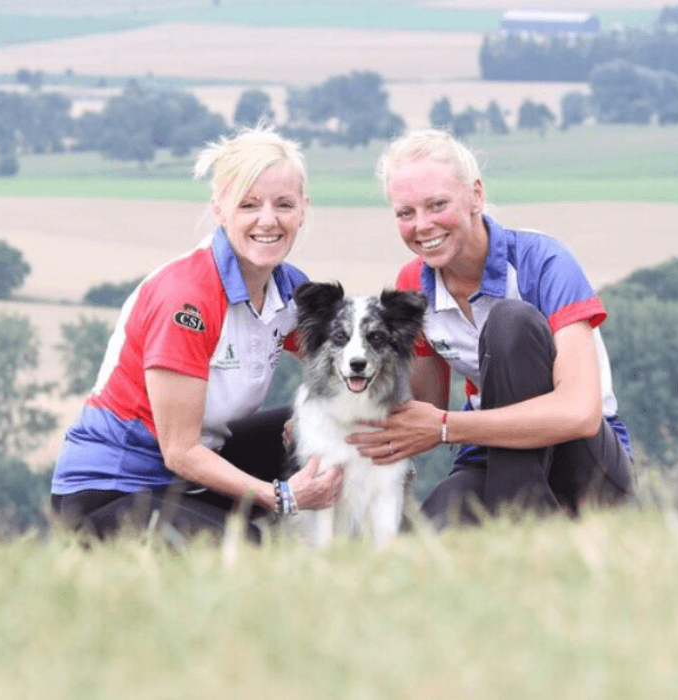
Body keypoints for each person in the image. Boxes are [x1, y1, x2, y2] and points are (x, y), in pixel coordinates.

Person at [51, 126, 343, 542]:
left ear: (303, 210)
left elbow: (340, 366)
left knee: (314, 433)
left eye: (284, 204)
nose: (268, 220)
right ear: (220, 209)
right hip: (111, 494)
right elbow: (180, 451)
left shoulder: (290, 289)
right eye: (249, 205)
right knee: (245, 549)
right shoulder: (187, 299)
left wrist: (320, 416)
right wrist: (281, 496)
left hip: (188, 479)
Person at [348, 129, 635, 529]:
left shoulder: (544, 261)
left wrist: (447, 429)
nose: (422, 226)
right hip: (490, 455)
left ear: (476, 196)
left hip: (583, 458)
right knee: (421, 551)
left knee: (510, 322)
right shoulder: (413, 284)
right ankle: (518, 527)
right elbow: (422, 403)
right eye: (405, 213)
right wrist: (332, 414)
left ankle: (519, 535)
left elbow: (580, 413)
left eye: (437, 205)